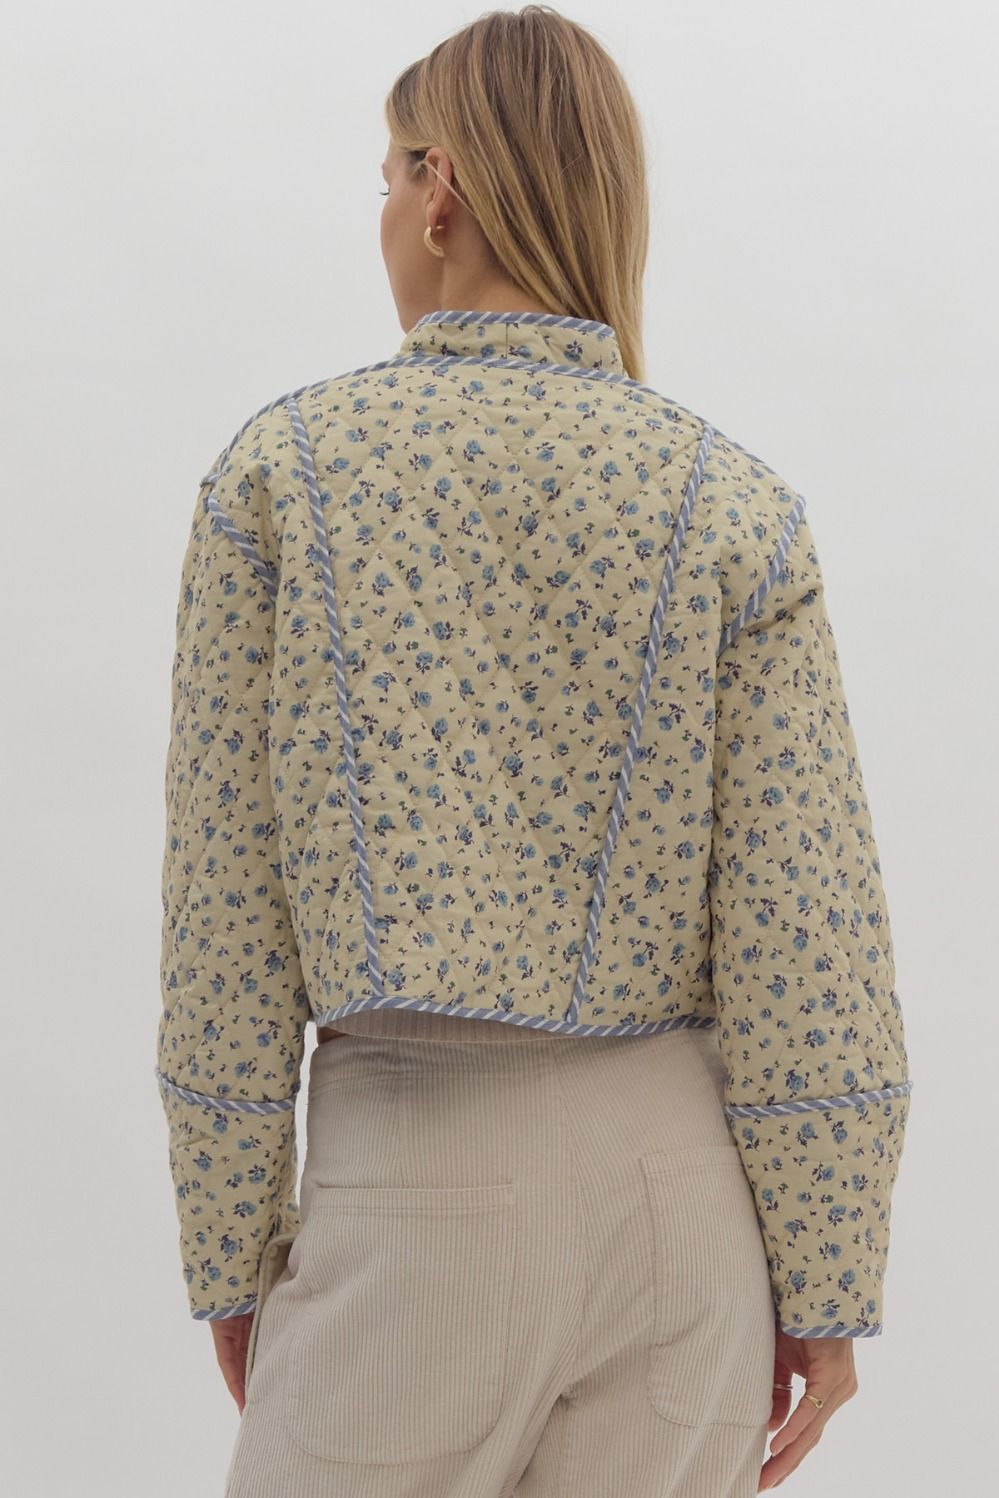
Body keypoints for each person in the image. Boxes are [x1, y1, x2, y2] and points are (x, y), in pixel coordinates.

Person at [154, 7, 912, 1495]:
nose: (385, 215)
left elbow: (225, 925)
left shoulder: (282, 477)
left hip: (412, 1196)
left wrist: (231, 1247)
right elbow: (809, 927)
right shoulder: (733, 505)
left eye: (388, 178)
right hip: (680, 1215)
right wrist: (827, 1278)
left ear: (440, 189)